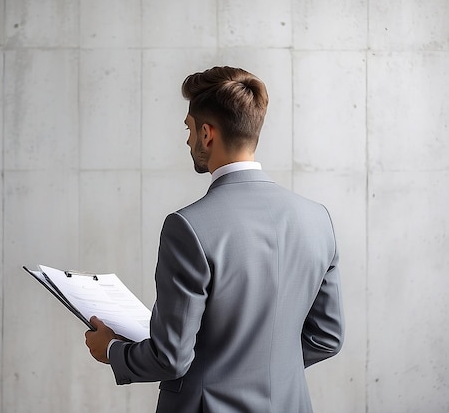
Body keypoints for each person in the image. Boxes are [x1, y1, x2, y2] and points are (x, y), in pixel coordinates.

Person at [85, 66, 344, 413]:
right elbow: (326, 338)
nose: (188, 140)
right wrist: (260, 372)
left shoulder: (187, 226)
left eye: (189, 129)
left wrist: (112, 351)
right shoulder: (318, 219)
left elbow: (171, 358)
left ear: (207, 134)